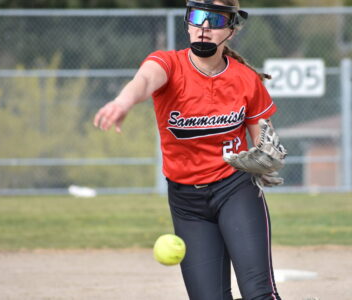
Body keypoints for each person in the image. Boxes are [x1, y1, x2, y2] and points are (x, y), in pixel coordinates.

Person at [93, 1, 284, 299]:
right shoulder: (169, 64)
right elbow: (143, 81)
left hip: (234, 188)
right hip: (187, 202)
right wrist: (123, 102)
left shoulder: (245, 79)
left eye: (215, 19)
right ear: (187, 22)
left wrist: (266, 158)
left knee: (258, 293)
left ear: (231, 29)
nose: (204, 27)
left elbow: (263, 138)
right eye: (197, 17)